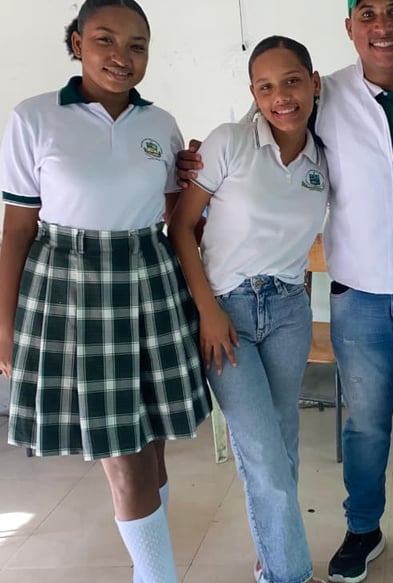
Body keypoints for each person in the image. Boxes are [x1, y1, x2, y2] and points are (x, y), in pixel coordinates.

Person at [177, 1, 393, 581]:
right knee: (364, 424)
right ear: (349, 28)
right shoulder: (327, 97)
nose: (382, 26)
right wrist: (192, 162)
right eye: (366, 13)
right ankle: (363, 528)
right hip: (358, 295)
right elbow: (266, 127)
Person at [0, 1, 210, 582]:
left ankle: (151, 566)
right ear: (76, 43)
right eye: (105, 40)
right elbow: (17, 229)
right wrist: (4, 323)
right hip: (71, 289)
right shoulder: (34, 117)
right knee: (123, 452)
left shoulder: (160, 125)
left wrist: (203, 181)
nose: (122, 56)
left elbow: (179, 223)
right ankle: (157, 576)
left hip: (151, 281)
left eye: (137, 45)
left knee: (153, 441)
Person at [168, 35, 328, 583]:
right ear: (254, 94)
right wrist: (208, 310)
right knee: (262, 454)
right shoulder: (230, 142)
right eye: (266, 87)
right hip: (227, 314)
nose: (281, 97)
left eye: (292, 82)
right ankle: (289, 574)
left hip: (288, 312)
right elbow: (181, 228)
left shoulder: (324, 159)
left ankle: (272, 556)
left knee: (282, 446)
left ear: (314, 84)